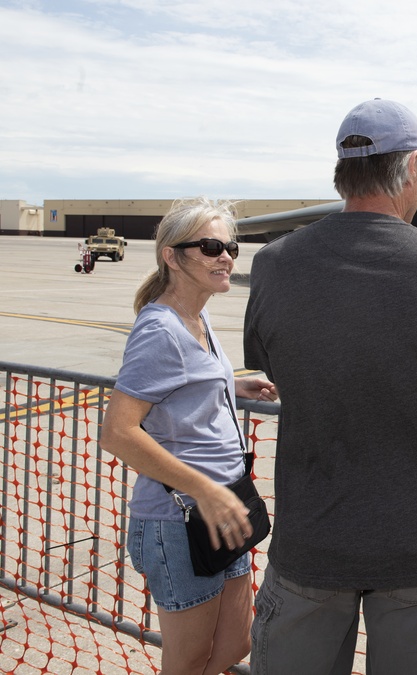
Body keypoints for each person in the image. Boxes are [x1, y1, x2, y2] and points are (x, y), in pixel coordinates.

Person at [243, 99, 417, 674]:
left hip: (311, 546)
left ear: (342, 172)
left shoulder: (276, 264)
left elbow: (277, 371)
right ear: (411, 168)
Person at [99, 197, 278, 675]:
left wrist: (229, 383)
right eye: (211, 246)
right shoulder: (160, 329)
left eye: (230, 247)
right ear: (172, 256)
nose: (226, 257)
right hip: (179, 520)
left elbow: (179, 385)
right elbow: (117, 433)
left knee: (236, 642)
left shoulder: (197, 318)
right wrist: (203, 490)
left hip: (222, 507)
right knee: (189, 660)